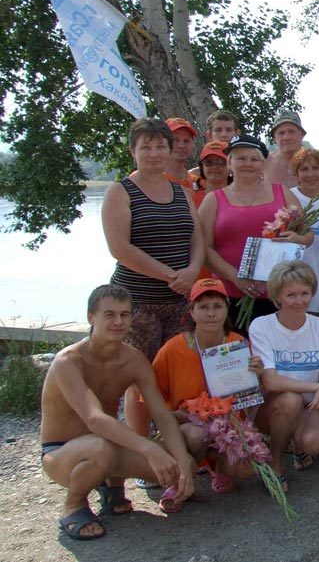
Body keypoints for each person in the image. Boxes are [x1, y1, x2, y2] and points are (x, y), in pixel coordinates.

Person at [41, 285, 195, 540]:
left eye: (125, 314)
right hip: (61, 452)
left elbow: (162, 415)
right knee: (101, 447)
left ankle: (112, 489)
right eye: (109, 314)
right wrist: (149, 448)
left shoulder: (133, 359)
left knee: (183, 464)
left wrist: (182, 463)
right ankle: (74, 506)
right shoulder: (68, 362)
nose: (118, 321)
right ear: (91, 317)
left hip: (108, 445)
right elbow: (94, 418)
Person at [102, 118, 203, 443]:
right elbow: (120, 249)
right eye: (146, 146)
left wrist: (192, 271)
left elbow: (197, 238)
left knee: (176, 375)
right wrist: (170, 275)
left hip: (179, 302)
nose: (154, 153)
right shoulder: (121, 192)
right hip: (137, 303)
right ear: (133, 151)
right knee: (139, 379)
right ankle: (142, 451)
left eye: (161, 146)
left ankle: (175, 445)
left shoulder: (181, 191)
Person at [250, 261, 319, 486]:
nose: (299, 301)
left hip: (311, 405)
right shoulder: (261, 326)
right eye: (291, 295)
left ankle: (299, 447)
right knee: (290, 400)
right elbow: (270, 381)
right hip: (273, 407)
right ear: (277, 296)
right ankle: (275, 465)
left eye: (305, 293)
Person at [150, 279, 261, 496]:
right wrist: (176, 416)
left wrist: (258, 374)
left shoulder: (237, 343)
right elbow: (151, 397)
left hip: (229, 424)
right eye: (203, 307)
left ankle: (219, 467)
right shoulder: (172, 349)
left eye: (217, 306)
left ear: (227, 309)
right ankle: (181, 478)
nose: (211, 313)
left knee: (246, 469)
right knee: (195, 434)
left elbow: (251, 399)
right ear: (191, 312)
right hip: (188, 426)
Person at [198, 134, 307, 328]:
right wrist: (235, 276)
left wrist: (298, 238)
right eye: (241, 158)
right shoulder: (213, 200)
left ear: (263, 164)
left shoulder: (282, 192)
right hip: (230, 295)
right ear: (229, 163)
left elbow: (307, 234)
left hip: (279, 294)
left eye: (254, 159)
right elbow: (203, 248)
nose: (248, 164)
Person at [290, 148, 319, 315]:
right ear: (296, 173)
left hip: (315, 284)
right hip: (287, 282)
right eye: (304, 169)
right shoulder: (287, 197)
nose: (310, 174)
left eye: (316, 168)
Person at [263, 109, 306, 187]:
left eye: (291, 131)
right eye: (281, 133)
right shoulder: (264, 162)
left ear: (302, 134)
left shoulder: (315, 162)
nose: (286, 137)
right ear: (274, 138)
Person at [164, 118, 201, 193]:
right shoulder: (148, 180)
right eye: (175, 140)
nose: (181, 145)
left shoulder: (200, 184)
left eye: (186, 141)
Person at [192, 141, 230, 209]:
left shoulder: (240, 198)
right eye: (208, 162)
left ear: (231, 165)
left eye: (221, 162)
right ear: (201, 166)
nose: (214, 166)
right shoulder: (190, 199)